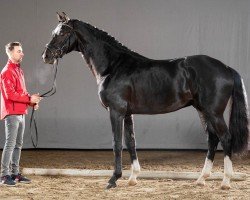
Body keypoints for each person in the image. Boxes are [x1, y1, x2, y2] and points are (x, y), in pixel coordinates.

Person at [0, 42, 42, 186]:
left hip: (21, 112)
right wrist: (29, 99)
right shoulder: (6, 72)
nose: (22, 53)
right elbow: (10, 94)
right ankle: (4, 175)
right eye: (19, 51)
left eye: (21, 51)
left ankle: (15, 173)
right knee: (10, 144)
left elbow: (21, 93)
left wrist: (31, 102)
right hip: (12, 114)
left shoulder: (19, 71)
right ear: (10, 53)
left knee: (18, 145)